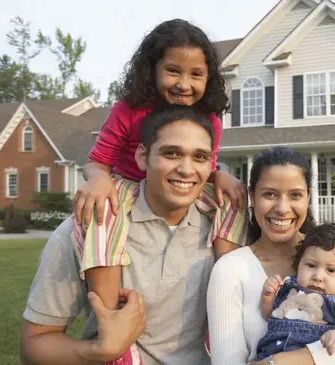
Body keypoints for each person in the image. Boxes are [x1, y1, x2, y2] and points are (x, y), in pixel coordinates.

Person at [70, 19, 247, 365]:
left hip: (179, 189)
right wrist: (98, 179)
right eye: (173, 71)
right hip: (124, 184)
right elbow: (97, 160)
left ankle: (227, 300)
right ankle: (114, 326)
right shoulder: (129, 109)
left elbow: (201, 167)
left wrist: (219, 177)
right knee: (101, 211)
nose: (184, 84)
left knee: (234, 200)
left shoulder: (209, 119)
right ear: (152, 70)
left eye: (196, 74)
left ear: (207, 78)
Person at [20, 105, 247, 365]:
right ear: (142, 156)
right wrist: (100, 351)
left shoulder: (227, 229)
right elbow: (33, 345)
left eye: (200, 157)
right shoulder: (88, 228)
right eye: (171, 153)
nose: (186, 169)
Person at [207, 147, 335, 365]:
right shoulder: (230, 270)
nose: (283, 208)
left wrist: (277, 363)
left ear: (308, 197)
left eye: (295, 195)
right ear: (252, 196)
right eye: (270, 194)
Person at [256, 223, 335, 360]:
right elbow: (269, 315)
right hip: (270, 354)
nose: (318, 276)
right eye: (311, 265)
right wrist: (268, 297)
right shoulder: (289, 286)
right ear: (298, 265)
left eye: (331, 270)